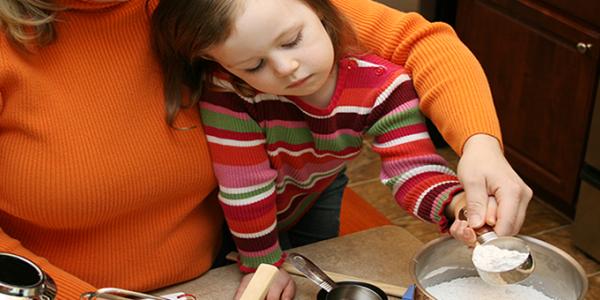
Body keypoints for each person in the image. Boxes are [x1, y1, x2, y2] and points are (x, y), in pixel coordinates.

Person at [0, 0, 531, 299]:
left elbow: (420, 43)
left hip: (218, 272)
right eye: (253, 66)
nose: (285, 70)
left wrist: (479, 148)